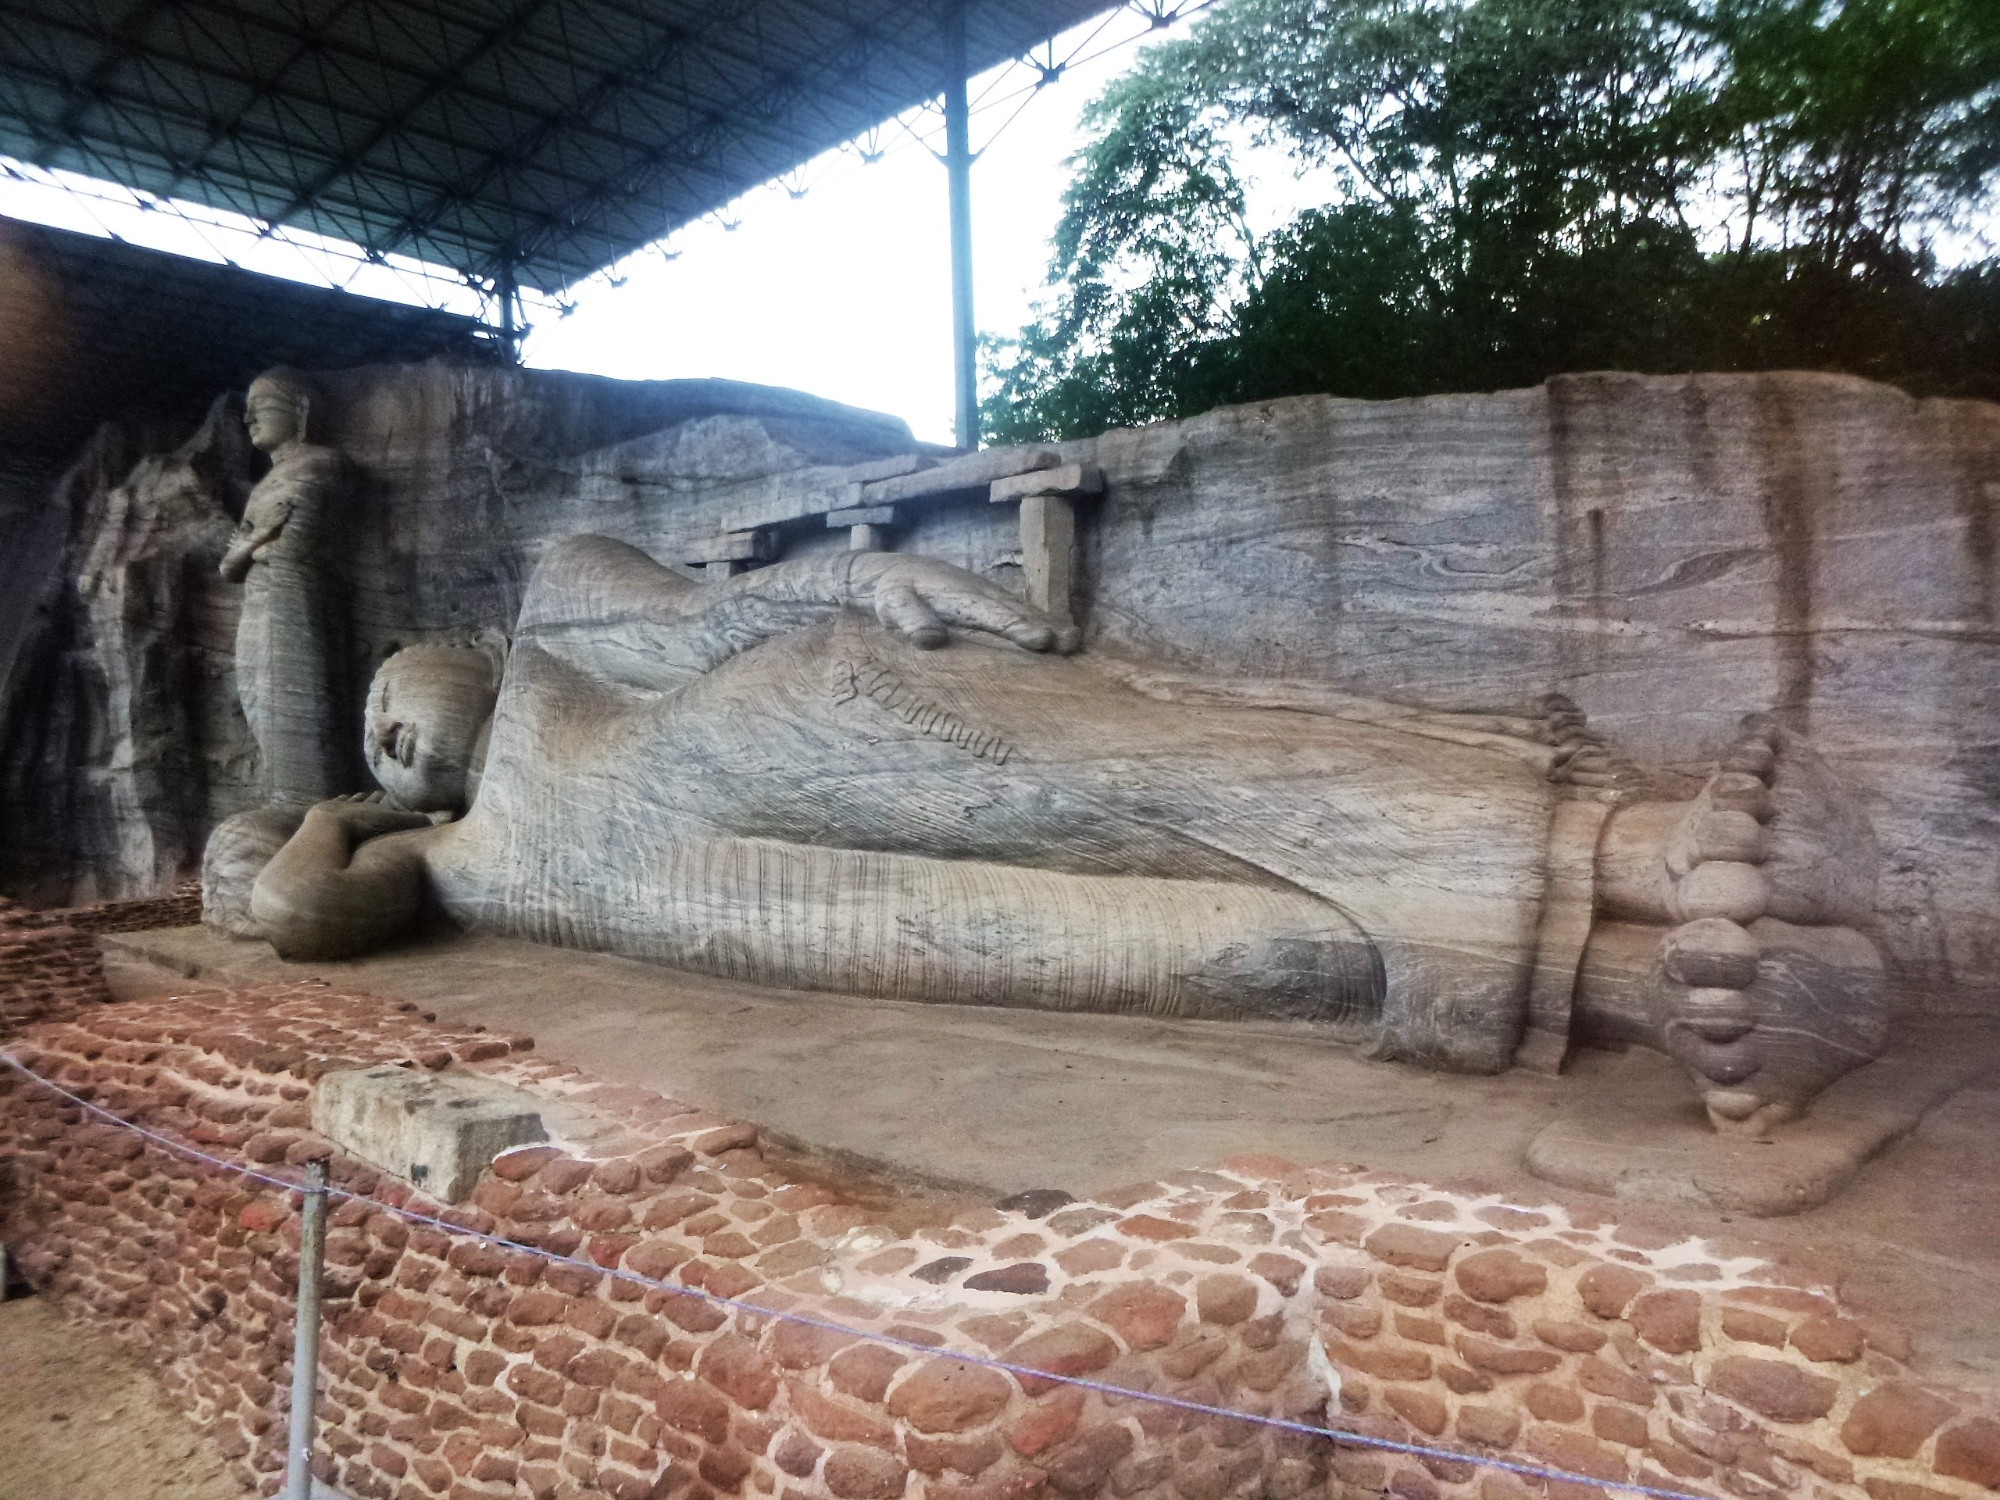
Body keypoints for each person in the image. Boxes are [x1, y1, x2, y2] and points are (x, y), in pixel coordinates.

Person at [235, 535, 1888, 1135]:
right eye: (376, 744)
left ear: (455, 641)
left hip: (818, 723)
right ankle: (1652, 994)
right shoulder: (443, 863)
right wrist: (337, 811)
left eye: (391, 690)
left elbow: (723, 604)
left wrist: (874, 580)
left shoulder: (559, 621)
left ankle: (1651, 847)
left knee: (1176, 789)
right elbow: (298, 920)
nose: (390, 730)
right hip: (778, 901)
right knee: (1173, 953)